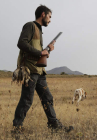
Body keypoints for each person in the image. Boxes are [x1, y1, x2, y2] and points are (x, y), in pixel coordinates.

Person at [12, 5, 73, 133]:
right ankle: (17, 128)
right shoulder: (30, 26)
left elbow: (37, 51)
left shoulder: (39, 30)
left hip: (39, 71)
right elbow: (21, 43)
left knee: (47, 98)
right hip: (30, 71)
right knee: (26, 100)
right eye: (50, 17)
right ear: (43, 14)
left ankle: (54, 125)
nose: (50, 20)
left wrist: (47, 50)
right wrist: (41, 53)